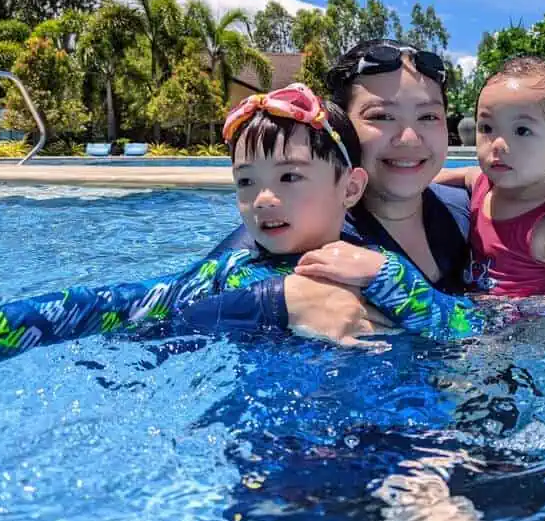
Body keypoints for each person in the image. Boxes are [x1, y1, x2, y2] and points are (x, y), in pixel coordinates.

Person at [0, 83, 483, 363]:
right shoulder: (228, 275)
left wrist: (391, 280)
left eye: (290, 176)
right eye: (246, 181)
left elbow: (469, 328)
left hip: (393, 437)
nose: (263, 199)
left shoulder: (374, 269)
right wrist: (270, 305)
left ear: (350, 189)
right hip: (275, 453)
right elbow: (101, 311)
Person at [201, 40, 484, 340]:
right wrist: (273, 302)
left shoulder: (468, 211)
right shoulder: (291, 235)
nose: (410, 139)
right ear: (341, 128)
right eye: (381, 116)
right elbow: (159, 317)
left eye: (428, 116)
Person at [434, 55, 545, 301]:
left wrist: (513, 308)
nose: (498, 144)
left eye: (522, 130)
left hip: (526, 331)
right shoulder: (480, 183)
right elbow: (432, 178)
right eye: (487, 128)